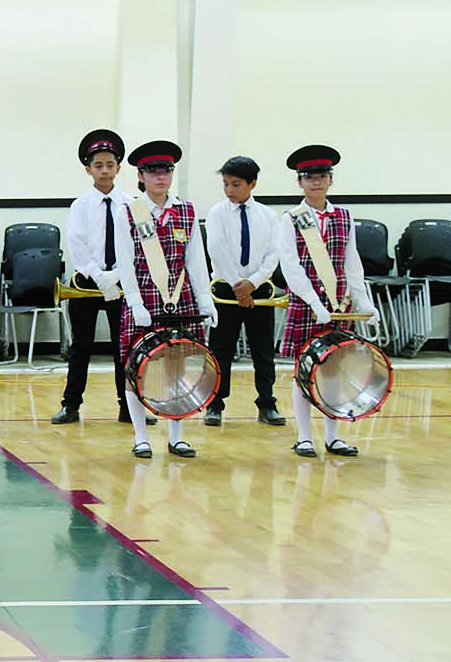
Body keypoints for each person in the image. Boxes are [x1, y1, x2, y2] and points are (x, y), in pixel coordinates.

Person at [274, 145, 377, 458]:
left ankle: (333, 436)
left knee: (334, 371)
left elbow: (352, 262)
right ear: (299, 182)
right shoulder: (291, 220)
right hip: (308, 306)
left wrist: (364, 303)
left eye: (322, 176)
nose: (316, 182)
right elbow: (290, 267)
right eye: (309, 177)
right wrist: (314, 303)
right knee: (304, 370)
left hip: (339, 304)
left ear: (330, 180)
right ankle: (304, 437)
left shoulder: (344, 216)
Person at [115, 141, 216, 459]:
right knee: (136, 368)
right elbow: (125, 261)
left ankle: (176, 435)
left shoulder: (185, 210)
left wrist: (206, 301)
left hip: (180, 298)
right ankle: (141, 437)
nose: (161, 177)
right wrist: (135, 302)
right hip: (144, 297)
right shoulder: (129, 211)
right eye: (153, 171)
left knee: (177, 366)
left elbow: (196, 260)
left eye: (167, 170)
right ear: (140, 176)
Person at [54, 129, 132, 426]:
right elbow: (78, 245)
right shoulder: (80, 206)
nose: (104, 170)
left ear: (118, 168)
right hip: (88, 283)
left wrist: (117, 277)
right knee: (80, 347)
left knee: (122, 348)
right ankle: (70, 405)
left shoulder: (131, 204)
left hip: (122, 284)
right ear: (88, 170)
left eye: (110, 164)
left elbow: (135, 246)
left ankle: (128, 405)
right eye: (98, 165)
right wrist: (101, 277)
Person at [203, 156, 286, 427]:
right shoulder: (217, 213)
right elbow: (216, 248)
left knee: (263, 351)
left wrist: (253, 283)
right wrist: (239, 284)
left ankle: (267, 403)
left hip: (259, 289)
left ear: (252, 184)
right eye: (225, 184)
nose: (229, 190)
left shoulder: (268, 216)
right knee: (220, 349)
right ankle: (214, 404)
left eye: (236, 184)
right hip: (227, 289)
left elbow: (274, 254)